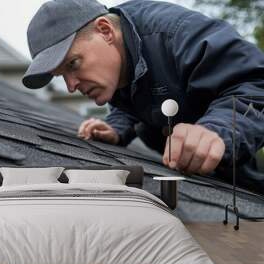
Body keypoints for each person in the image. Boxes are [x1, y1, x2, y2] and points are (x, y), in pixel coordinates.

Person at [22, 0, 264, 191]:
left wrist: (218, 129)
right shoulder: (117, 60)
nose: (71, 86)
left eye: (73, 64)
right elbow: (135, 96)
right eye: (61, 75)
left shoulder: (178, 34)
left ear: (105, 31)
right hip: (200, 178)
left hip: (246, 174)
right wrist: (116, 128)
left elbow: (256, 84)